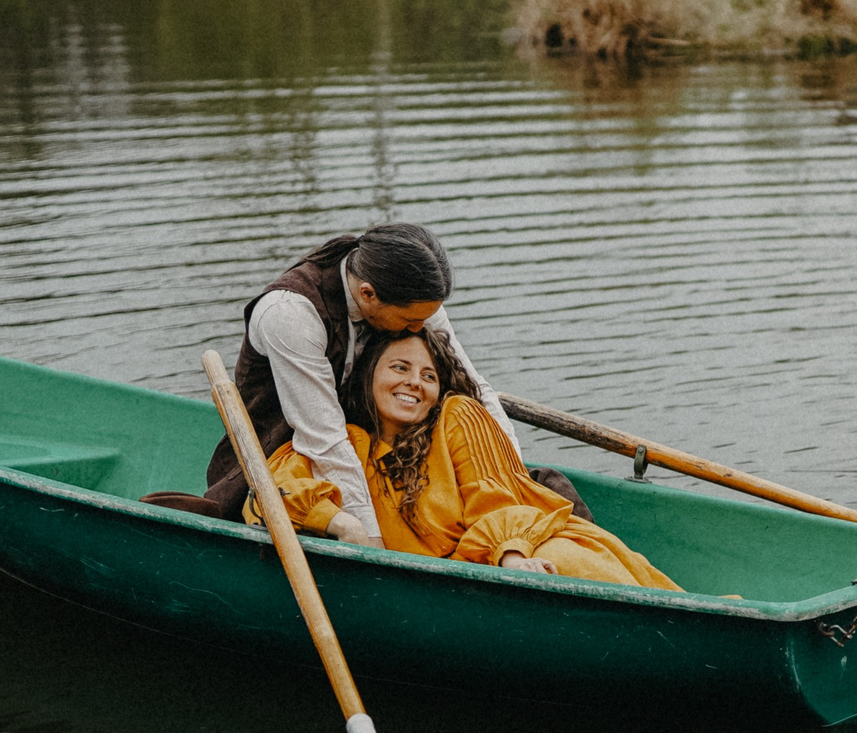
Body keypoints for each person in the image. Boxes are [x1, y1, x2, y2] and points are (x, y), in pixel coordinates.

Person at [147, 221, 577, 543]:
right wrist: (371, 542)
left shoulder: (410, 298)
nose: (419, 329)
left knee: (542, 487)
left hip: (385, 453)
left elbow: (474, 389)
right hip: (290, 458)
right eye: (411, 322)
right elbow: (323, 437)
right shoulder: (290, 313)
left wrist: (510, 474)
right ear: (368, 295)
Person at [293, 324, 678, 588]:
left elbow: (497, 502)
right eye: (400, 367)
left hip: (526, 551)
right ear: (368, 376)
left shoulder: (457, 417)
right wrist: (346, 526)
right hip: (446, 583)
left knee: (565, 566)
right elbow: (277, 491)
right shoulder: (341, 442)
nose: (414, 381)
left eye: (429, 376)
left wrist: (509, 554)